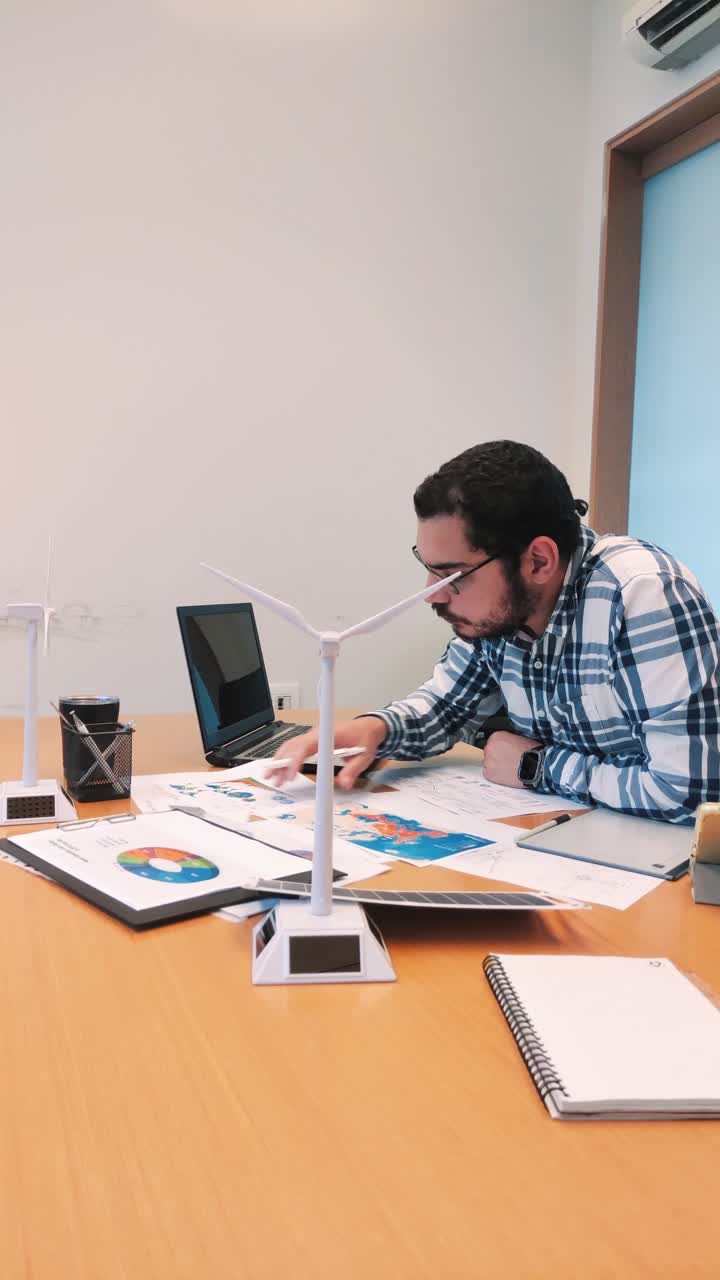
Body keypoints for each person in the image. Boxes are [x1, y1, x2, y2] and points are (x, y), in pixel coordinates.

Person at [269, 440, 720, 824]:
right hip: (573, 836)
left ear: (538, 561)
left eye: (452, 576)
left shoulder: (642, 595)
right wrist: (375, 729)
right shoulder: (500, 615)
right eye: (430, 572)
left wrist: (536, 765)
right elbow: (446, 706)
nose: (433, 596)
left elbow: (693, 793)